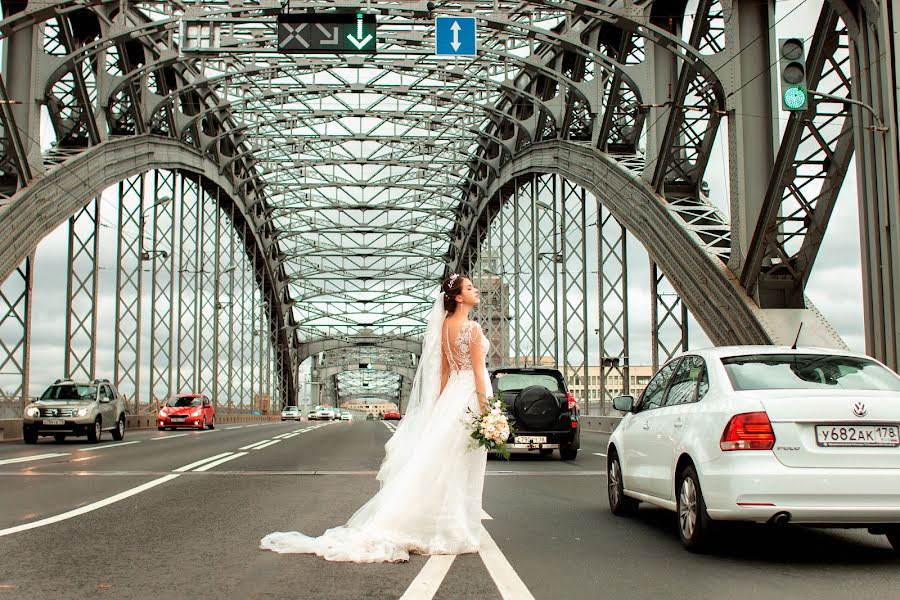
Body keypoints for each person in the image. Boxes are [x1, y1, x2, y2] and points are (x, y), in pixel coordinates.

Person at [259, 274, 490, 563]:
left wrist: (438, 408)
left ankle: (444, 526)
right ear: (457, 297)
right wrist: (489, 410)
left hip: (452, 399)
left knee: (445, 462)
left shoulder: (444, 328)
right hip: (469, 396)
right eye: (469, 287)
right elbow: (480, 374)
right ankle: (455, 529)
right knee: (461, 463)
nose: (475, 290)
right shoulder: (472, 329)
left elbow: (443, 374)